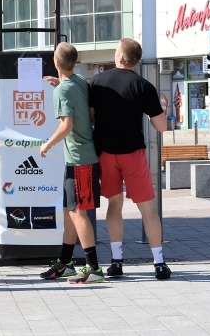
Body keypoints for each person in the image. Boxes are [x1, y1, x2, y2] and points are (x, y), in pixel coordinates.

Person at [89, 38, 171, 280]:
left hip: (106, 153)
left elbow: (92, 119)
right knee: (147, 208)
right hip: (133, 154)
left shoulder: (97, 82)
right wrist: (159, 110)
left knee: (115, 205)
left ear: (121, 57)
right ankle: (159, 262)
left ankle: (116, 260)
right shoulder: (144, 86)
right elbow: (161, 126)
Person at [38, 43, 104, 284]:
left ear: (56, 63)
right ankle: (65, 263)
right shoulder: (79, 82)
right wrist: (60, 86)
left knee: (78, 213)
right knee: (69, 211)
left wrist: (47, 144)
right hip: (80, 158)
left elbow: (67, 125)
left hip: (80, 160)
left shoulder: (62, 91)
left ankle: (94, 268)